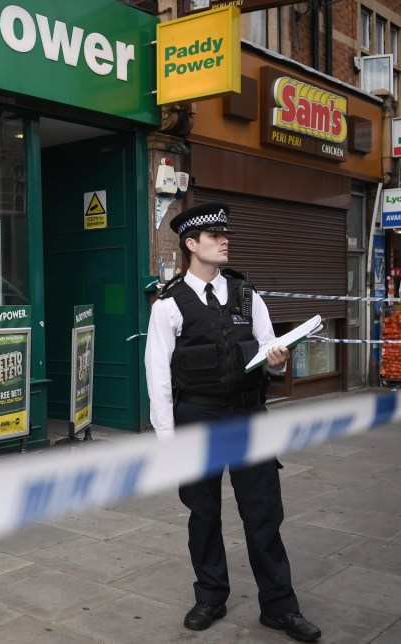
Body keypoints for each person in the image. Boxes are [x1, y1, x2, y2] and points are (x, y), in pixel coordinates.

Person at [144, 202, 321, 642]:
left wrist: (278, 360)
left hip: (246, 416)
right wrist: (166, 440)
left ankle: (279, 607)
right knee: (203, 512)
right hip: (196, 416)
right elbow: (158, 374)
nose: (225, 241)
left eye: (226, 235)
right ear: (190, 244)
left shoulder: (247, 294)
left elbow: (267, 352)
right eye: (214, 236)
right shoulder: (168, 305)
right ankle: (210, 596)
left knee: (263, 512)